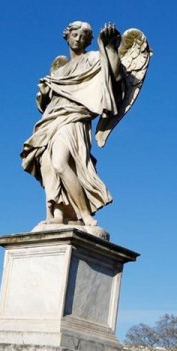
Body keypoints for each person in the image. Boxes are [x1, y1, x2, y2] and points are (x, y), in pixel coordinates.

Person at [20, 21, 126, 227]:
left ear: (88, 41)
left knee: (61, 163)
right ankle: (58, 214)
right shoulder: (58, 72)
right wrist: (43, 94)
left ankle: (85, 214)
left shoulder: (94, 58)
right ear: (67, 36)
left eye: (83, 37)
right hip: (51, 120)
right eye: (75, 35)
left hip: (74, 118)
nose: (78, 39)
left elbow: (116, 76)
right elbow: (45, 104)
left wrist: (110, 47)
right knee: (49, 167)